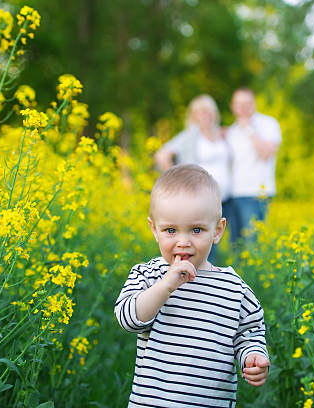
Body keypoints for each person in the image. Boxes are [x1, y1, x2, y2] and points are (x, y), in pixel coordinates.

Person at [115, 164, 270, 407]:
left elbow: (250, 333)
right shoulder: (148, 275)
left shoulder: (234, 289)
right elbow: (128, 320)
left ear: (217, 231)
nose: (183, 242)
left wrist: (252, 356)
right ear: (154, 230)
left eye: (196, 230)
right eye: (170, 230)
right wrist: (166, 285)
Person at [154, 94, 231, 261]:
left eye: (208, 111)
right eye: (200, 112)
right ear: (194, 116)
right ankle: (200, 280)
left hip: (226, 197)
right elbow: (162, 155)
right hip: (200, 197)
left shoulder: (221, 134)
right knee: (204, 241)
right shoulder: (189, 135)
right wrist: (178, 181)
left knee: (220, 239)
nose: (205, 116)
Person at [225, 87, 281, 243]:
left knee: (252, 245)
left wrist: (249, 129)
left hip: (256, 193)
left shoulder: (268, 124)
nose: (243, 108)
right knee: (235, 246)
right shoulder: (231, 131)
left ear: (254, 104)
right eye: (239, 104)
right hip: (234, 194)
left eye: (247, 103)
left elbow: (266, 153)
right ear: (232, 106)